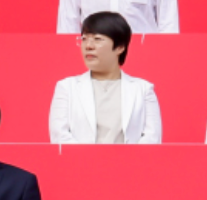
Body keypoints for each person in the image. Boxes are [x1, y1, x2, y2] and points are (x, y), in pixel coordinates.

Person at [48, 11, 162, 144]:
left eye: (97, 39)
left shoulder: (143, 89)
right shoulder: (67, 87)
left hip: (131, 158)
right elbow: (59, 136)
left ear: (120, 47)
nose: (88, 46)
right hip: (79, 158)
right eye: (84, 39)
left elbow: (152, 139)